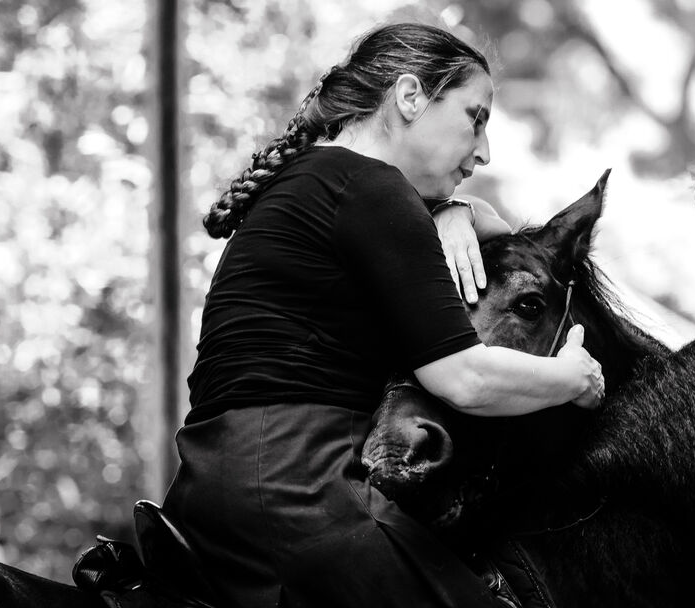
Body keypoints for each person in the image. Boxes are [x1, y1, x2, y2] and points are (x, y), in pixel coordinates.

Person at [164, 23, 605, 608]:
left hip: (212, 482)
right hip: (299, 486)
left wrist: (457, 210)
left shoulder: (314, 180)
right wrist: (574, 377)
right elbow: (464, 381)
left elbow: (507, 239)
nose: (484, 151)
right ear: (409, 97)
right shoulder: (372, 188)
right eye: (475, 117)